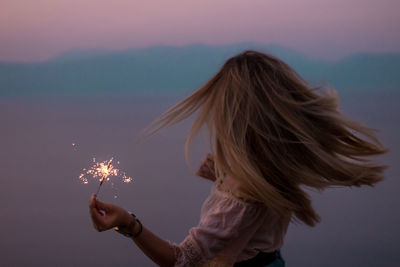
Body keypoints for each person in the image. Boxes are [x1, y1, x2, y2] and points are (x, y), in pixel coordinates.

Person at [89, 50, 387, 266]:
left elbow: (181, 260)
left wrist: (128, 223)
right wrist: (220, 172)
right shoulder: (271, 166)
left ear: (235, 116)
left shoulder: (242, 196)